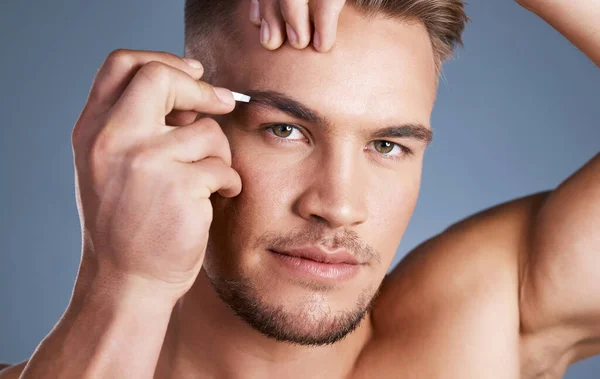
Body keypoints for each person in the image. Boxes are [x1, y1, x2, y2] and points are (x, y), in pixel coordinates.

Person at [1, 0, 598, 378]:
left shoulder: (476, 330)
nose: (337, 204)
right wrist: (127, 286)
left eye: (387, 145)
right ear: (178, 122)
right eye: (285, 130)